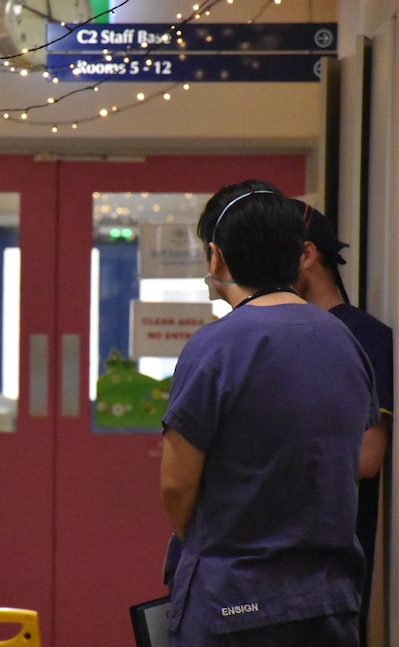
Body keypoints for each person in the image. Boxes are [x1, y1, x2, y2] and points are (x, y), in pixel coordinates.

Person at [160, 181, 379, 646]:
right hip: (327, 601)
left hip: (234, 601)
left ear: (216, 257)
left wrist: (206, 550)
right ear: (297, 254)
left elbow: (177, 483)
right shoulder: (345, 342)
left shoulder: (215, 345)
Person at [293, 199, 393, 646]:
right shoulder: (270, 330)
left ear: (306, 255)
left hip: (328, 561)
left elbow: (368, 456)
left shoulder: (366, 336)